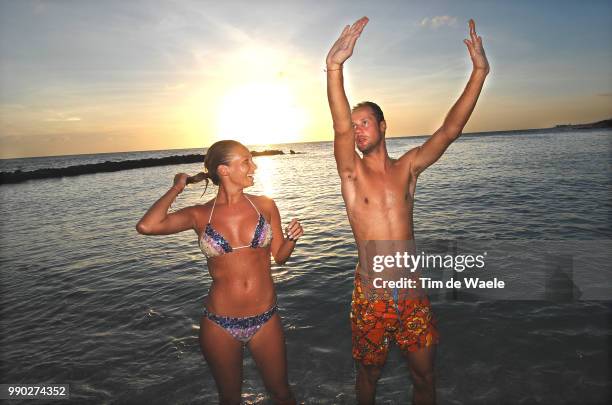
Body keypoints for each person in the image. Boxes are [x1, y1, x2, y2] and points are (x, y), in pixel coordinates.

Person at [326, 17, 490, 405]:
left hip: (413, 295)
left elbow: (449, 130)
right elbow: (338, 127)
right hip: (371, 295)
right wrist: (335, 67)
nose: (357, 130)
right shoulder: (351, 174)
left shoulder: (408, 169)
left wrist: (480, 73)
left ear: (383, 126)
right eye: (354, 126)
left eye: (364, 122)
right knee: (368, 375)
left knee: (424, 376)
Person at [136, 140, 303, 405]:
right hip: (219, 324)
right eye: (246, 161)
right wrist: (177, 187)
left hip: (266, 319)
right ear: (224, 170)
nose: (254, 166)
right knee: (229, 399)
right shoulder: (199, 215)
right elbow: (147, 226)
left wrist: (292, 240)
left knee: (282, 394)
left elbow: (280, 257)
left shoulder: (265, 205)